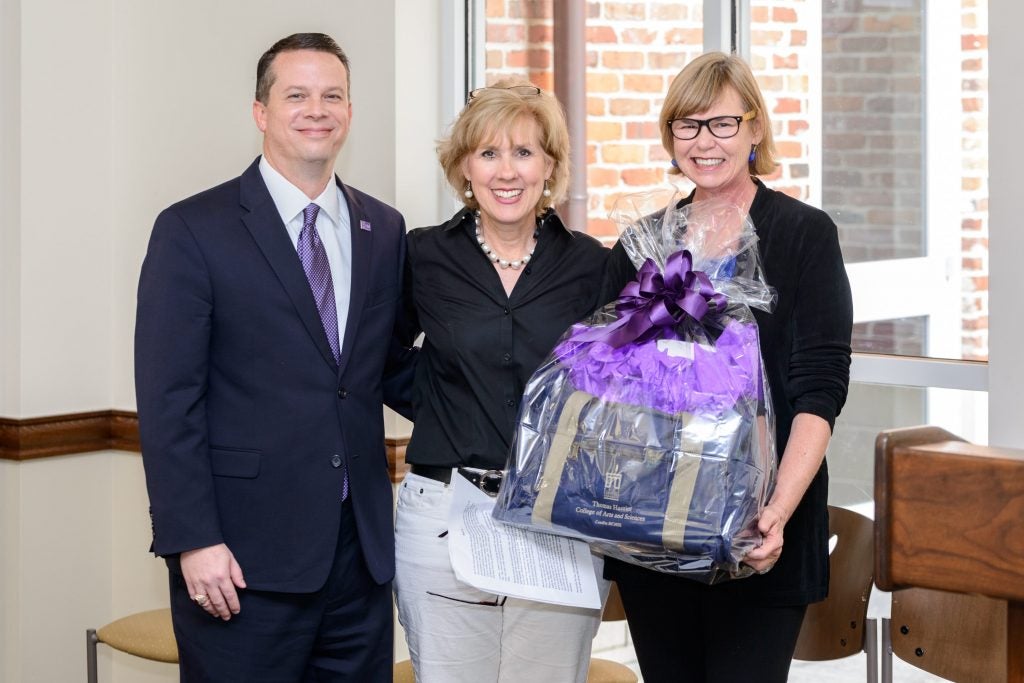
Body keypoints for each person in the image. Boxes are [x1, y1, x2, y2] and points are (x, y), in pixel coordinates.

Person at [134, 33, 413, 682]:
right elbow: (170, 401)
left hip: (360, 560)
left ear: (349, 110)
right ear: (261, 111)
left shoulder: (384, 229)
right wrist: (191, 539)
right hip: (239, 559)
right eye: (296, 95)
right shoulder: (192, 231)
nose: (317, 108)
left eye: (332, 95)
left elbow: (385, 368)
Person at [600, 52, 853, 683]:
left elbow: (820, 388)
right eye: (686, 126)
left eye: (722, 123)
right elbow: (604, 382)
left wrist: (775, 515)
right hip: (653, 529)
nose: (703, 142)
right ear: (670, 137)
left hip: (758, 529)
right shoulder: (642, 243)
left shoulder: (803, 235)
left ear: (756, 129)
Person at [393, 79, 610, 683]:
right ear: (465, 165)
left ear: (550, 165)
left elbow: (622, 389)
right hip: (444, 516)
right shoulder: (422, 256)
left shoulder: (593, 265)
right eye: (488, 153)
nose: (506, 171)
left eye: (524, 152)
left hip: (559, 519)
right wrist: (449, 406)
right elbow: (378, 359)